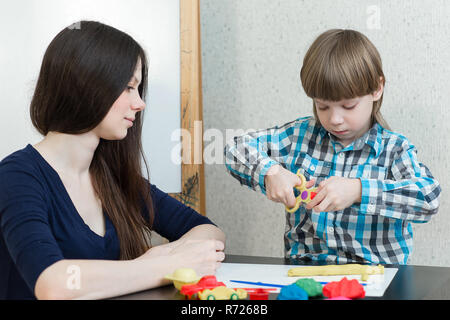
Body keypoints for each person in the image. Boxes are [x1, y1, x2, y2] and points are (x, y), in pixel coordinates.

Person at [0, 21, 225, 300]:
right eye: (129, 87)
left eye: (139, 88)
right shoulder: (16, 177)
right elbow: (53, 283)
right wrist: (165, 264)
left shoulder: (112, 176)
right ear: (86, 85)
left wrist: (166, 256)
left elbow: (209, 231)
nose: (140, 103)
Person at [224, 29, 441, 265]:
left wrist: (359, 191)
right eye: (323, 106)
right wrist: (270, 172)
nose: (335, 119)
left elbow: (427, 198)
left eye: (348, 106)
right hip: (306, 273)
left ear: (377, 88)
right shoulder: (299, 136)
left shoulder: (394, 150)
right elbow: (235, 147)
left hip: (378, 278)